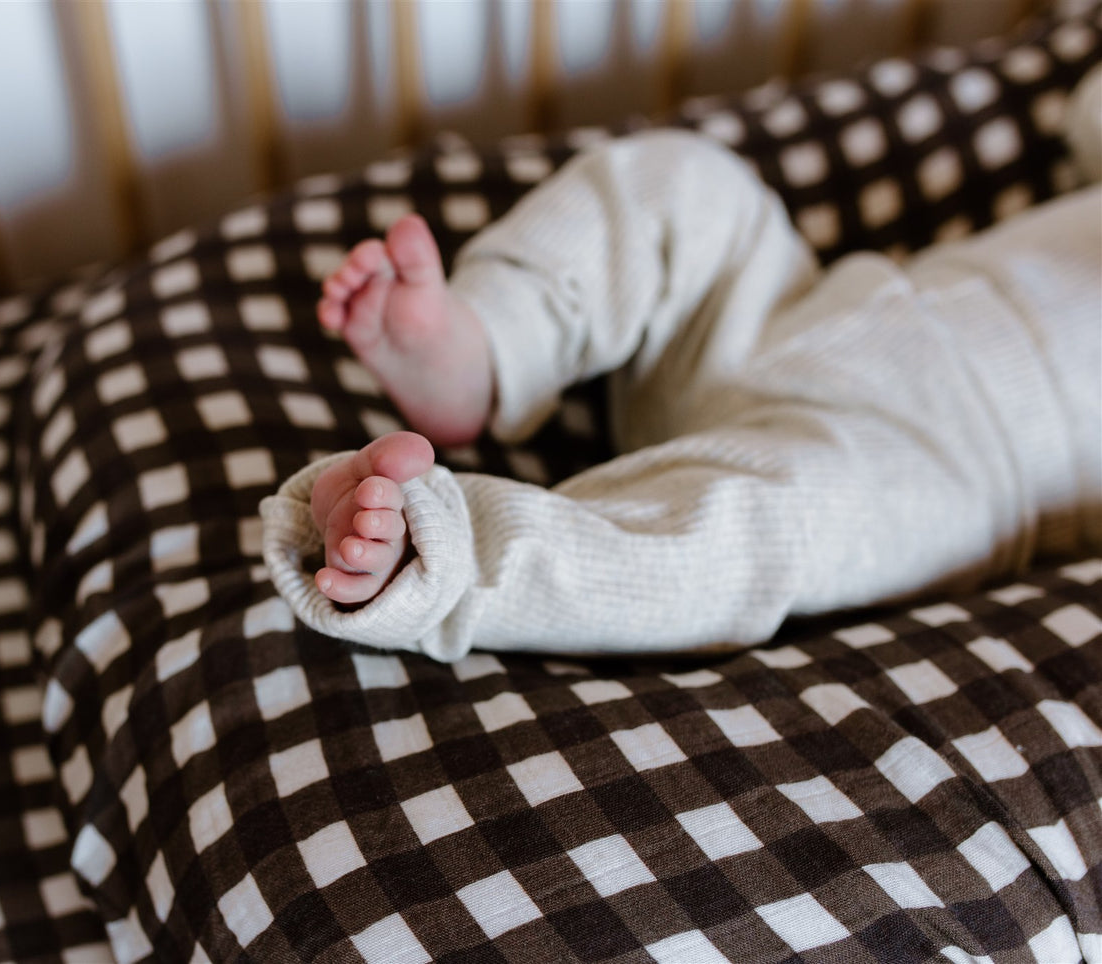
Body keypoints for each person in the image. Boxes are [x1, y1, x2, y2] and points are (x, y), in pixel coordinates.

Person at [260, 65, 1102, 663]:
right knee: (691, 185)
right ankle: (487, 345)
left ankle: (437, 555)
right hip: (797, 311)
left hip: (940, 469)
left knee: (761, 533)